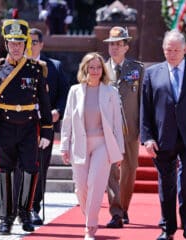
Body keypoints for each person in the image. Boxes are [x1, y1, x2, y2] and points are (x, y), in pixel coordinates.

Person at [0, 19, 53, 235]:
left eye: (19, 43)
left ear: (26, 45)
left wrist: (46, 129)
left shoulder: (36, 69)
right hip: (4, 126)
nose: (16, 47)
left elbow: (44, 102)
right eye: (11, 43)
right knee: (5, 171)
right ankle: (6, 218)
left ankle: (25, 213)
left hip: (28, 126)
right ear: (6, 44)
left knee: (30, 169)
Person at [140, 30, 186, 240]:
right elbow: (145, 109)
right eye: (168, 49)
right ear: (163, 49)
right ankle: (168, 227)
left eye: (176, 50)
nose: (172, 53)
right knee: (166, 184)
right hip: (162, 138)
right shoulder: (152, 73)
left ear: (185, 50)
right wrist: (147, 137)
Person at [60, 52, 124, 240]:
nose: (95, 71)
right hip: (79, 144)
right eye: (91, 67)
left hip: (102, 145)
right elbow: (68, 119)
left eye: (98, 67)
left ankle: (90, 227)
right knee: (81, 188)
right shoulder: (75, 91)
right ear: (85, 69)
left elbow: (117, 123)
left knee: (96, 184)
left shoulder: (111, 92)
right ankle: (89, 215)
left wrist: (119, 152)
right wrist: (64, 146)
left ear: (103, 70)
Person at [21, 27, 70, 225]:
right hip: (21, 125)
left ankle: (34, 207)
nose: (30, 45)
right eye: (27, 41)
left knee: (40, 166)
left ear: (42, 44)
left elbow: (65, 93)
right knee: (20, 167)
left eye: (34, 41)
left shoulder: (54, 66)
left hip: (44, 127)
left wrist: (58, 110)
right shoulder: (17, 65)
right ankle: (18, 207)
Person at [103, 26, 144, 228]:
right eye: (111, 44)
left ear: (126, 47)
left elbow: (144, 101)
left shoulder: (138, 69)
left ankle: (124, 207)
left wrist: (144, 130)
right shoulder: (99, 68)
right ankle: (116, 212)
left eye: (119, 44)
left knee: (130, 171)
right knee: (111, 172)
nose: (115, 48)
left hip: (131, 129)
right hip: (107, 130)